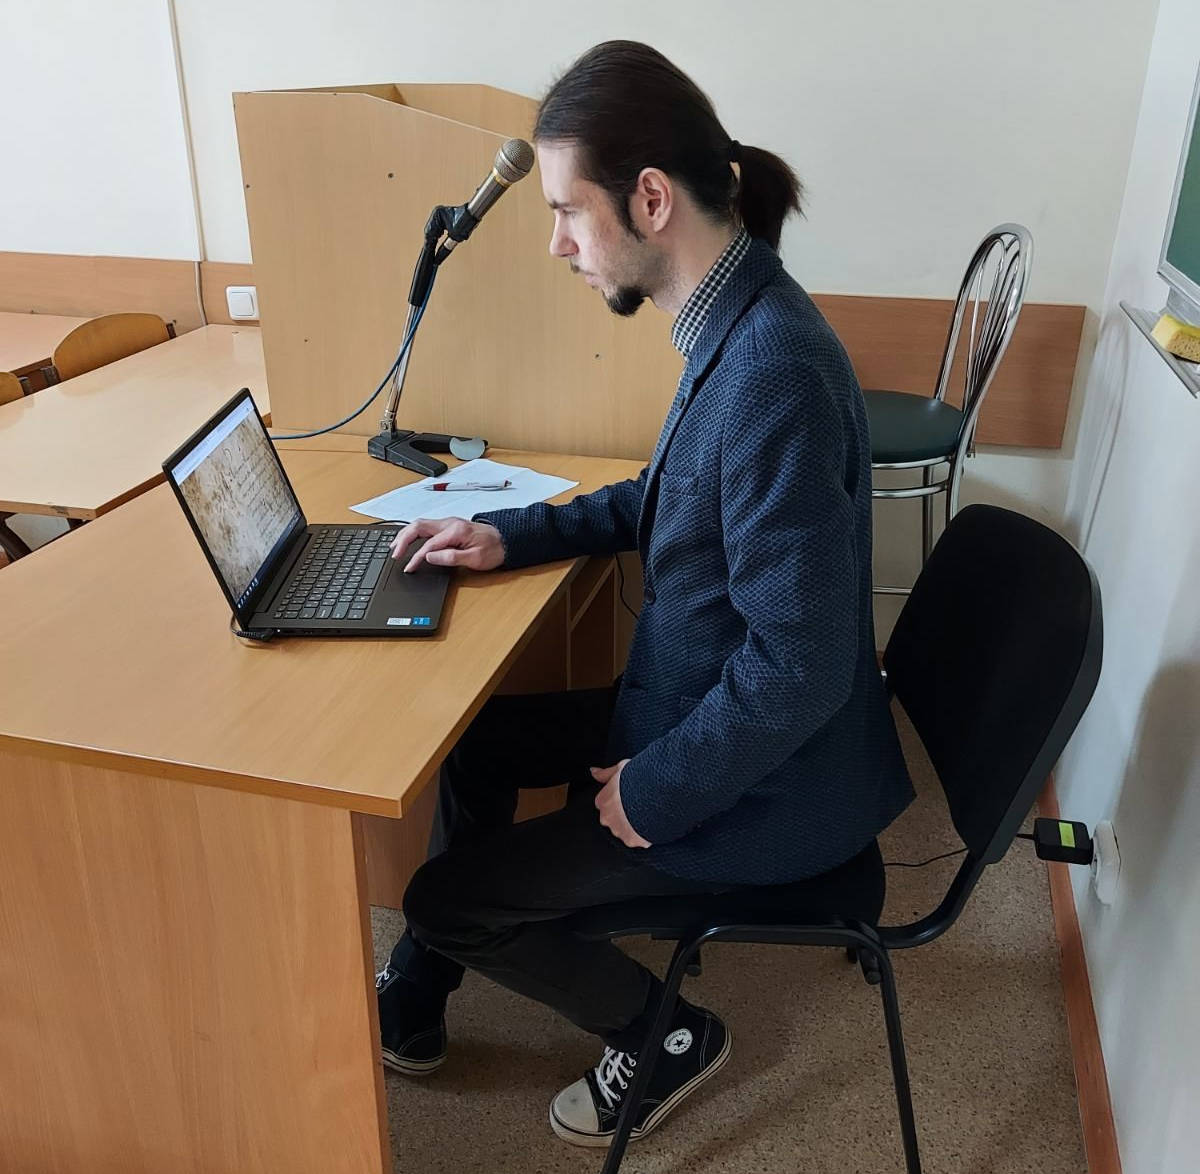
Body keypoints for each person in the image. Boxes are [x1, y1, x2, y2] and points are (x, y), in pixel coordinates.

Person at [375, 39, 914, 1148]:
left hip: (763, 786)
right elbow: (667, 497)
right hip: (694, 705)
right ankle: (426, 979)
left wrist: (660, 790)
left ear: (651, 200)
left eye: (568, 212)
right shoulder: (732, 318)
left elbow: (802, 667)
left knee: (442, 898)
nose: (559, 244)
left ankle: (667, 1035)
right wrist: (506, 534)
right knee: (476, 748)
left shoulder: (770, 371)